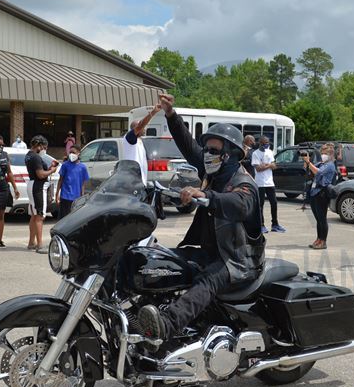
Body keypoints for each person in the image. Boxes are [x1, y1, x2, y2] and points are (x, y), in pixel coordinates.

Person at [137, 93, 265, 344]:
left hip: (235, 260)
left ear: (229, 153)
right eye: (207, 148)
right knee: (159, 260)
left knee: (206, 282)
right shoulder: (212, 169)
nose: (207, 153)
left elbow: (240, 204)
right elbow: (188, 145)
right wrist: (171, 115)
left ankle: (166, 325)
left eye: (213, 149)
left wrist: (206, 195)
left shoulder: (244, 183)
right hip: (208, 251)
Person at [25, 136, 58, 253]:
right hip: (38, 187)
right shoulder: (36, 157)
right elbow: (40, 174)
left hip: (32, 185)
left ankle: (31, 242)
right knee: (40, 215)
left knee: (34, 215)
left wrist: (48, 169)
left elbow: (39, 172)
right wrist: (51, 171)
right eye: (44, 147)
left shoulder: (29, 155)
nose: (44, 149)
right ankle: (39, 245)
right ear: (38, 145)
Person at [302, 143, 337, 250]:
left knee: (322, 219)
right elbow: (307, 169)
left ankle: (323, 241)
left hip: (322, 193)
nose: (322, 155)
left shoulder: (330, 165)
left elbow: (318, 172)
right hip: (314, 193)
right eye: (321, 152)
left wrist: (309, 162)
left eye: (325, 153)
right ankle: (318, 239)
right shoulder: (321, 163)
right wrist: (306, 162)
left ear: (330, 155)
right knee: (318, 219)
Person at [251, 135, 286, 233]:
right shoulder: (255, 154)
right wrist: (269, 165)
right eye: (265, 143)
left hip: (270, 182)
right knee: (260, 204)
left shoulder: (270, 152)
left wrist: (267, 165)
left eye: (268, 143)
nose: (267, 145)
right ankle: (261, 225)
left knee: (274, 203)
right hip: (260, 183)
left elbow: (274, 166)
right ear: (260, 143)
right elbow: (258, 168)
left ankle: (275, 224)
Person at [121, 104, 161, 185]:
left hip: (140, 180)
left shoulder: (139, 141)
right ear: (136, 129)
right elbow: (141, 125)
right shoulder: (129, 137)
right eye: (143, 127)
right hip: (132, 180)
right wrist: (153, 113)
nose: (144, 128)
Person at [55, 145, 89, 218]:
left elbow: (83, 183)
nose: (71, 154)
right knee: (64, 218)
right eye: (70, 152)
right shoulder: (65, 165)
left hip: (76, 198)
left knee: (74, 218)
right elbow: (60, 180)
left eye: (73, 152)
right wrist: (57, 194)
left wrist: (82, 196)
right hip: (65, 197)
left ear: (78, 153)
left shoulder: (83, 167)